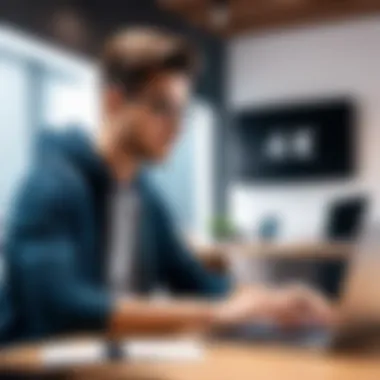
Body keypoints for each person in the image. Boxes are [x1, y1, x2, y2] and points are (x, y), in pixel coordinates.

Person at [2, 27, 334, 343]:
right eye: (162, 108)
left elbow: (196, 281)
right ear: (113, 103)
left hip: (110, 362)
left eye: (182, 112)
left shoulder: (143, 196)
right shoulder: (49, 187)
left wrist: (274, 301)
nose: (177, 127)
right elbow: (59, 308)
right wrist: (218, 314)